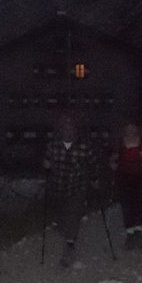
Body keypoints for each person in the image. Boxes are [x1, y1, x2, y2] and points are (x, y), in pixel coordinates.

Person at [43, 114, 98, 267]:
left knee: (73, 215)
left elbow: (93, 163)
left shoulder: (84, 146)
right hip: (58, 187)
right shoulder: (53, 146)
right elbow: (46, 162)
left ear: (75, 130)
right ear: (61, 130)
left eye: (71, 128)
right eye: (65, 128)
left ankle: (69, 246)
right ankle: (65, 231)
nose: (68, 131)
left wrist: (94, 179)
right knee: (62, 219)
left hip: (77, 187)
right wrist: (46, 166)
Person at [110, 122, 142, 249]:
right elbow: (113, 158)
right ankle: (130, 234)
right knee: (127, 206)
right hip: (124, 178)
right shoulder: (120, 143)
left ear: (136, 129)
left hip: (140, 178)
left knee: (139, 205)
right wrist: (113, 164)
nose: (130, 130)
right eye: (128, 128)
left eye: (132, 128)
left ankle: (138, 233)